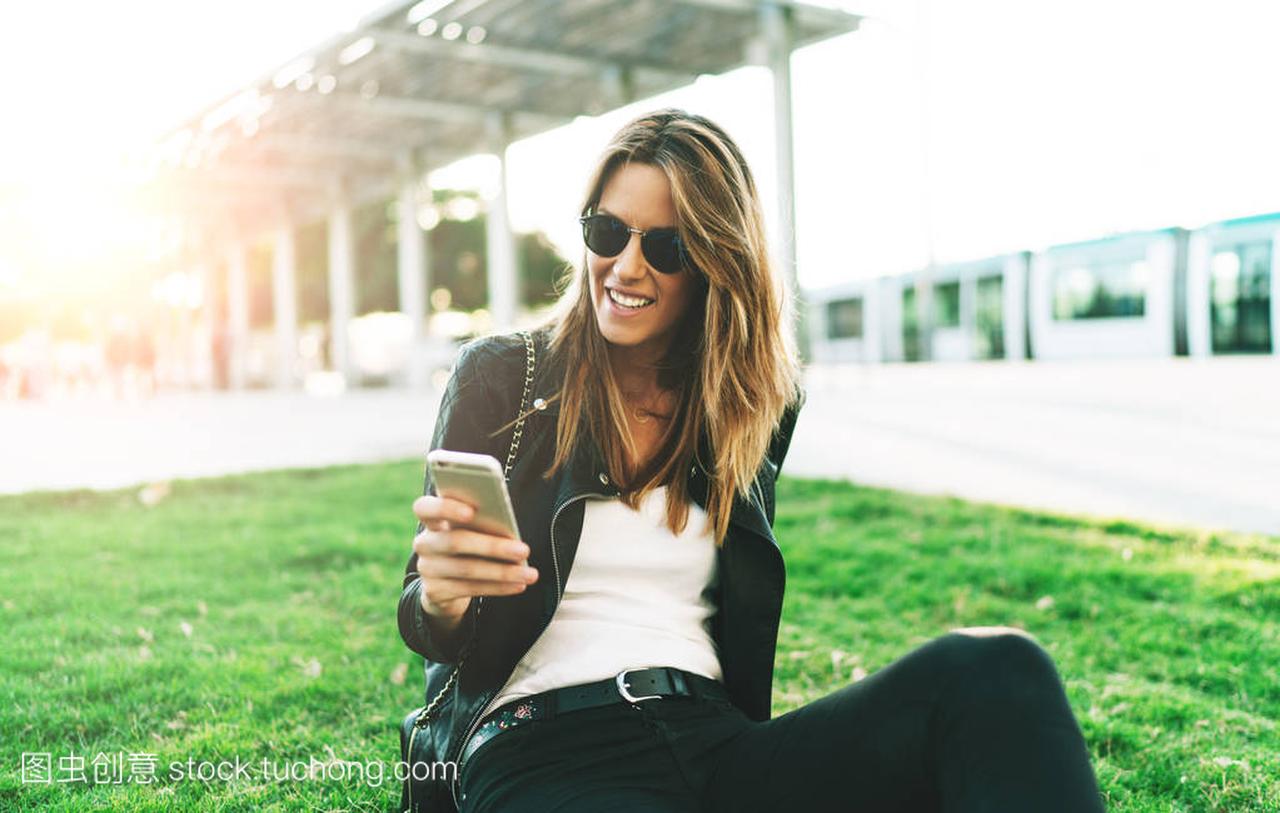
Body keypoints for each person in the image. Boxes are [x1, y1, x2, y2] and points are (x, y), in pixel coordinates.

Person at [398, 109, 1106, 813]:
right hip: (539, 747)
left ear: (714, 259)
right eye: (606, 231)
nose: (625, 264)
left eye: (667, 246)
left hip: (716, 743)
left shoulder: (750, 406)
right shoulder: (503, 374)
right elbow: (424, 620)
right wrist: (444, 591)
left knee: (998, 671)